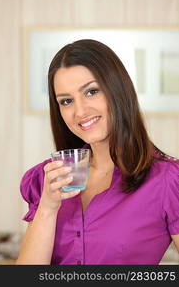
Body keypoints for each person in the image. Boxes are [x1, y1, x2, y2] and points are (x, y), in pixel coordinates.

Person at [16, 39, 179, 265]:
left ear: (117, 90)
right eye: (66, 101)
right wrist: (47, 208)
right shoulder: (49, 179)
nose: (80, 111)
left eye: (91, 92)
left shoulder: (167, 179)